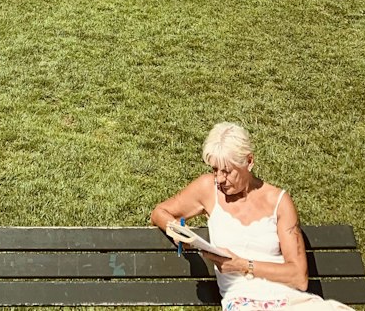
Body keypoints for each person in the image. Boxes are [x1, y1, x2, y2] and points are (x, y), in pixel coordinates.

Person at [151, 122, 353, 310]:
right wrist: (176, 230)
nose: (220, 178)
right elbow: (159, 212)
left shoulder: (278, 202)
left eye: (228, 171)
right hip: (242, 301)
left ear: (249, 161)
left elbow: (299, 277)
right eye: (215, 170)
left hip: (289, 300)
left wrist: (243, 265)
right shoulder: (208, 189)